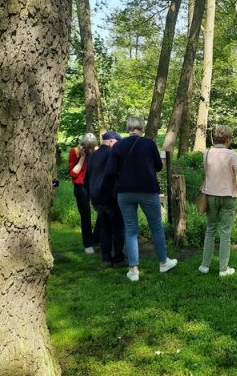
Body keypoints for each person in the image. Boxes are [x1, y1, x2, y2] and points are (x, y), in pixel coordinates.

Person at [105, 117, 177, 282]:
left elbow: (110, 171)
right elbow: (159, 166)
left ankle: (134, 270)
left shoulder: (118, 146)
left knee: (130, 230)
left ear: (128, 128)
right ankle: (163, 262)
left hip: (125, 192)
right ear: (142, 129)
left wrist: (123, 176)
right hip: (148, 190)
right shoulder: (149, 144)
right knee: (156, 227)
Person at [198, 125, 237, 277]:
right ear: (228, 139)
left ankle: (204, 266)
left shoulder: (207, 153)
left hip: (210, 195)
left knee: (210, 230)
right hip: (227, 197)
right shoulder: (232, 154)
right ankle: (223, 269)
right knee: (225, 233)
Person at [84, 130, 126, 268]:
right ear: (112, 142)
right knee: (118, 226)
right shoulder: (113, 154)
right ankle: (119, 257)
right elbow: (116, 174)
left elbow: (86, 179)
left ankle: (106, 259)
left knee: (105, 227)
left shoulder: (92, 156)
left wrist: (91, 194)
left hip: (96, 197)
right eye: (117, 142)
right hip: (111, 196)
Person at [68, 132, 100, 254]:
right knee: (85, 215)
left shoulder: (95, 151)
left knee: (103, 211)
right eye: (89, 148)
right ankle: (88, 244)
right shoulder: (74, 152)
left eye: (93, 148)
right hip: (81, 186)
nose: (91, 151)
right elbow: (73, 174)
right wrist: (82, 157)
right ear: (83, 146)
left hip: (94, 185)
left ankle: (96, 238)